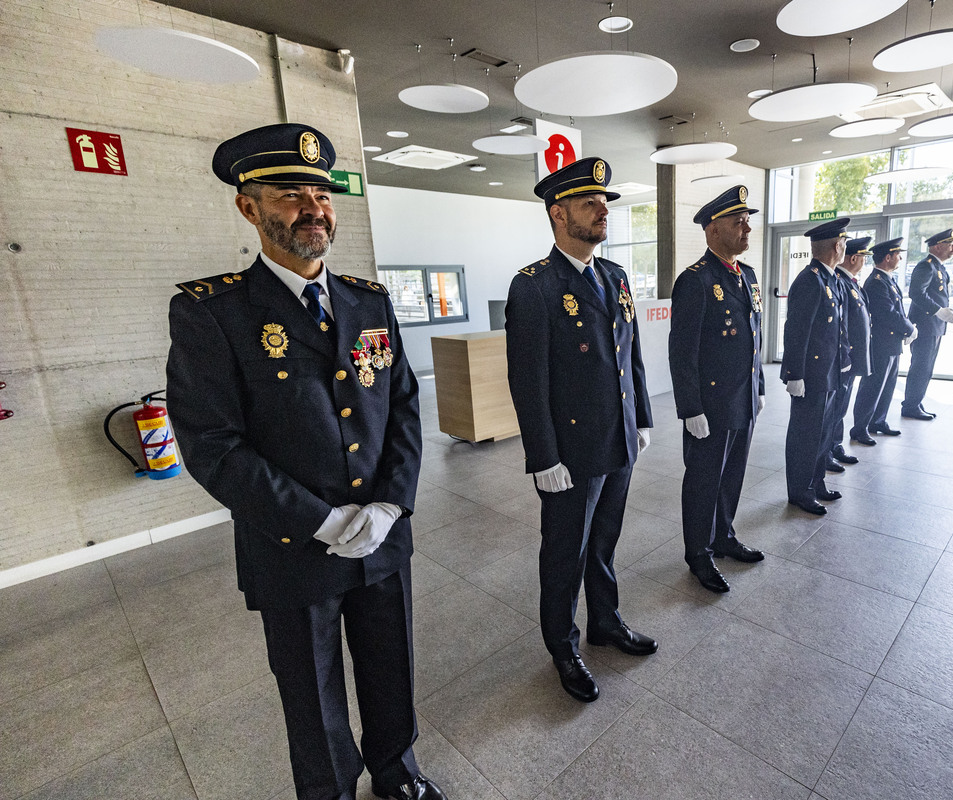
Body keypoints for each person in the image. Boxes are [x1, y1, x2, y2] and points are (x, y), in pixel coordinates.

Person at [166, 124, 444, 800]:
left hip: (381, 535)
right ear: (248, 207)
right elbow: (212, 443)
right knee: (310, 687)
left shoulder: (368, 301)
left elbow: (402, 405)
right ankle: (330, 791)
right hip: (291, 544)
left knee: (390, 665)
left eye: (322, 192)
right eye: (291, 193)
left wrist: (391, 503)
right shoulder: (215, 313)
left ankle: (397, 769)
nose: (314, 208)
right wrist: (320, 521)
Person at [505, 156, 657, 704]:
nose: (602, 211)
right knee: (564, 553)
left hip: (617, 439)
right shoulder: (535, 287)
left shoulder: (614, 276)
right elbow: (528, 382)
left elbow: (630, 356)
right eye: (590, 203)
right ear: (558, 213)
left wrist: (640, 415)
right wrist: (543, 456)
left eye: (604, 203)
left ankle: (606, 621)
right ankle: (563, 645)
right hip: (570, 451)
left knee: (605, 541)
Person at [668, 185, 766, 594]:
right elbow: (682, 351)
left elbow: (754, 338)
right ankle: (699, 554)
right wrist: (690, 408)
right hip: (709, 404)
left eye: (748, 221)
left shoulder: (748, 276)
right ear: (713, 230)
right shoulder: (695, 281)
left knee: (732, 475)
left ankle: (723, 535)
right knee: (704, 481)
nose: (747, 229)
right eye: (738, 222)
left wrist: (757, 386)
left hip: (742, 399)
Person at [780, 217, 849, 515]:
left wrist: (844, 361)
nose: (845, 248)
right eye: (844, 243)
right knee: (805, 435)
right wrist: (794, 374)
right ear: (837, 245)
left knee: (823, 432)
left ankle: (816, 482)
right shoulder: (809, 280)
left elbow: (836, 329)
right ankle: (800, 491)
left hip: (829, 372)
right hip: (810, 375)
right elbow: (796, 330)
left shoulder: (830, 278)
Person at [850, 238, 914, 445]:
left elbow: (897, 310)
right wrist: (909, 328)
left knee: (887, 385)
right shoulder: (876, 282)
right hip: (880, 344)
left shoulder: (887, 279)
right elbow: (888, 314)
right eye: (897, 254)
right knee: (872, 387)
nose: (900, 258)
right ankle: (860, 427)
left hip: (891, 343)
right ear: (888, 257)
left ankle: (878, 421)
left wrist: (906, 328)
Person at [901, 229, 953, 420]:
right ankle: (910, 405)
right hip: (925, 325)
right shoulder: (926, 266)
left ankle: (915, 402)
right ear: (937, 246)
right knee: (921, 366)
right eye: (949, 244)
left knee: (927, 367)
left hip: (935, 326)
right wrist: (938, 311)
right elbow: (917, 293)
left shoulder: (939, 267)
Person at [827, 236, 872, 468]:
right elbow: (841, 325)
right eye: (864, 257)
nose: (865, 262)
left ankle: (835, 445)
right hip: (844, 357)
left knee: (842, 405)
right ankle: (828, 451)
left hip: (851, 357)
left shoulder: (851, 282)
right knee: (835, 407)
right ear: (854, 258)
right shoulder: (840, 282)